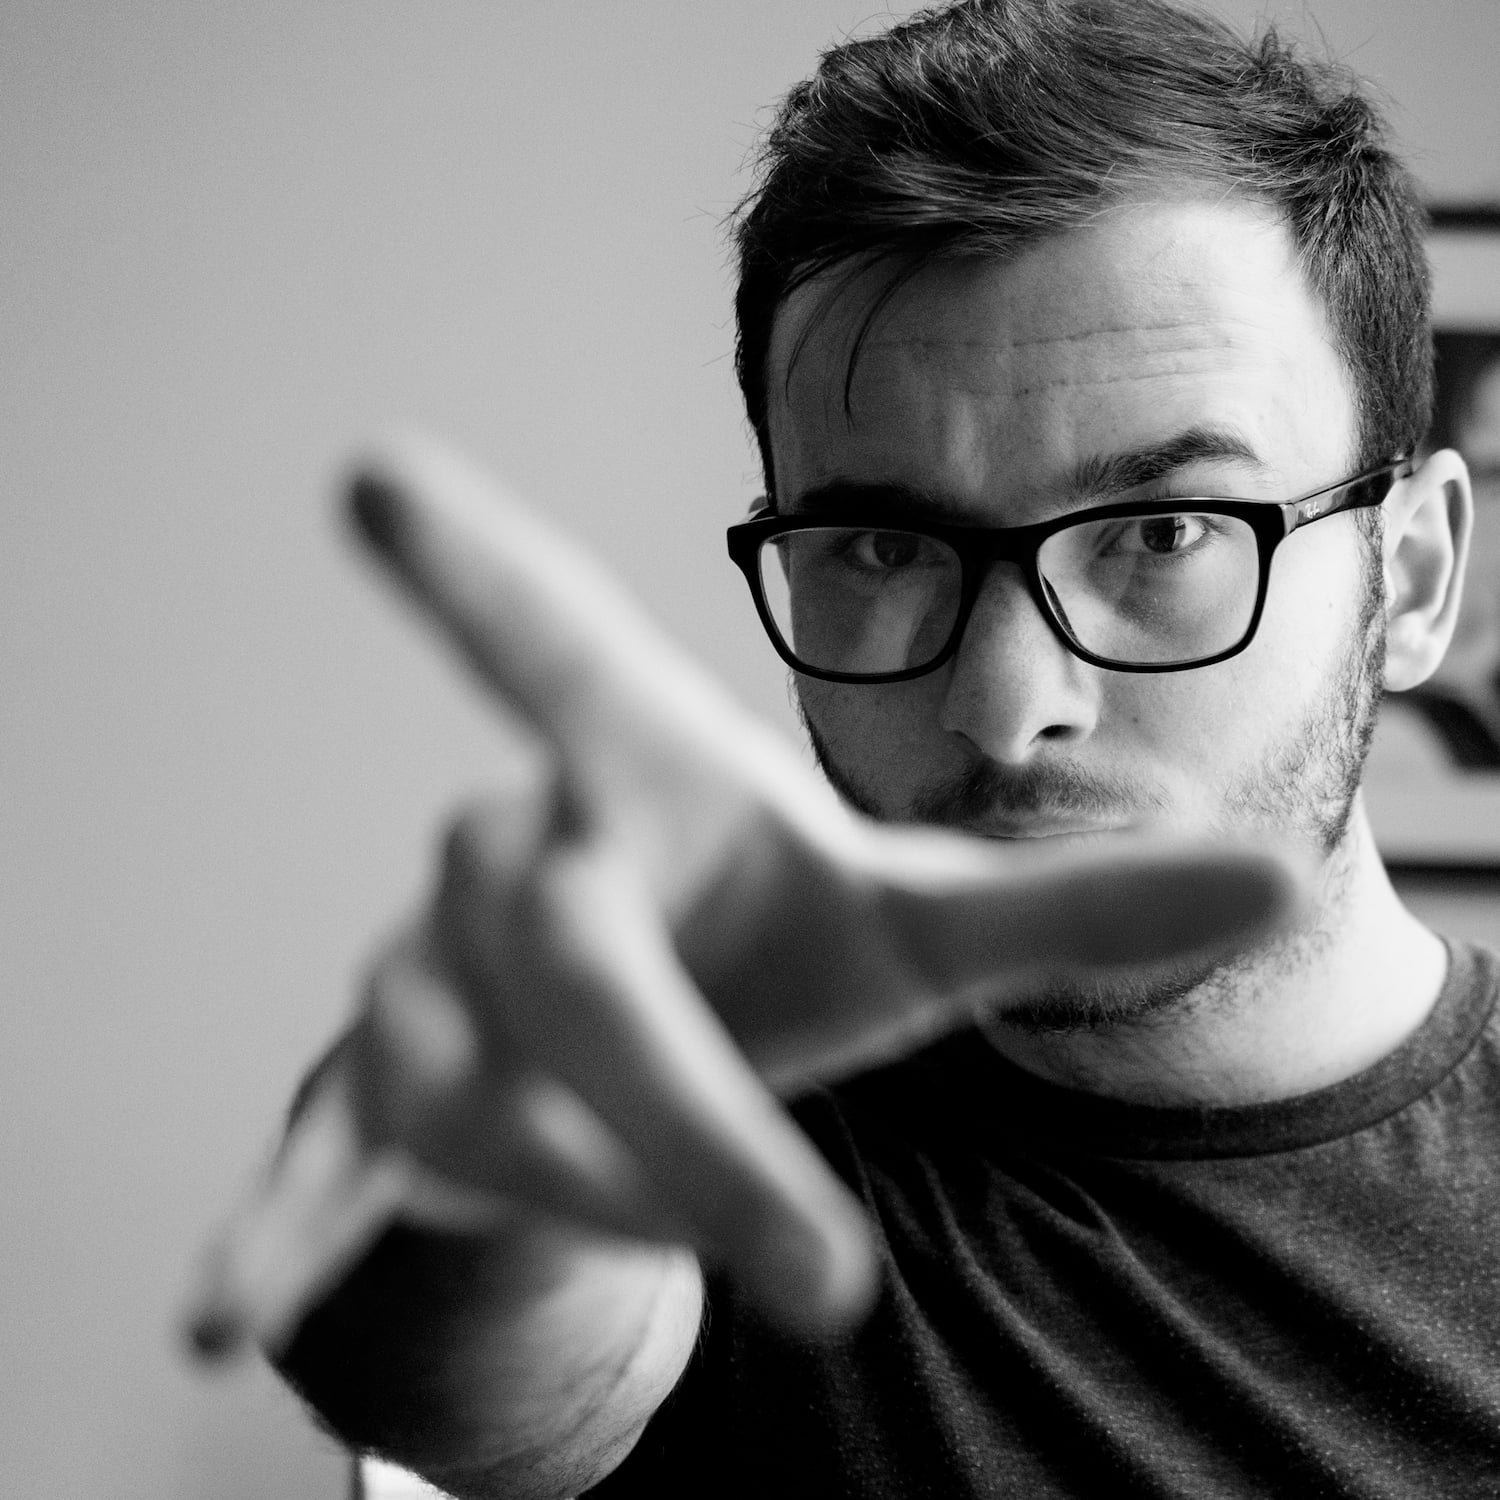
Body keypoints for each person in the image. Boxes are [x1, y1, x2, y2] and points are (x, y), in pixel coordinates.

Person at [187, 1, 1495, 1495]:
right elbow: (489, 1385)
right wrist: (477, 1172)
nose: (1007, 704)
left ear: (1414, 577)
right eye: (883, 547)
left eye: (1164, 532)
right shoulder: (708, 1123)